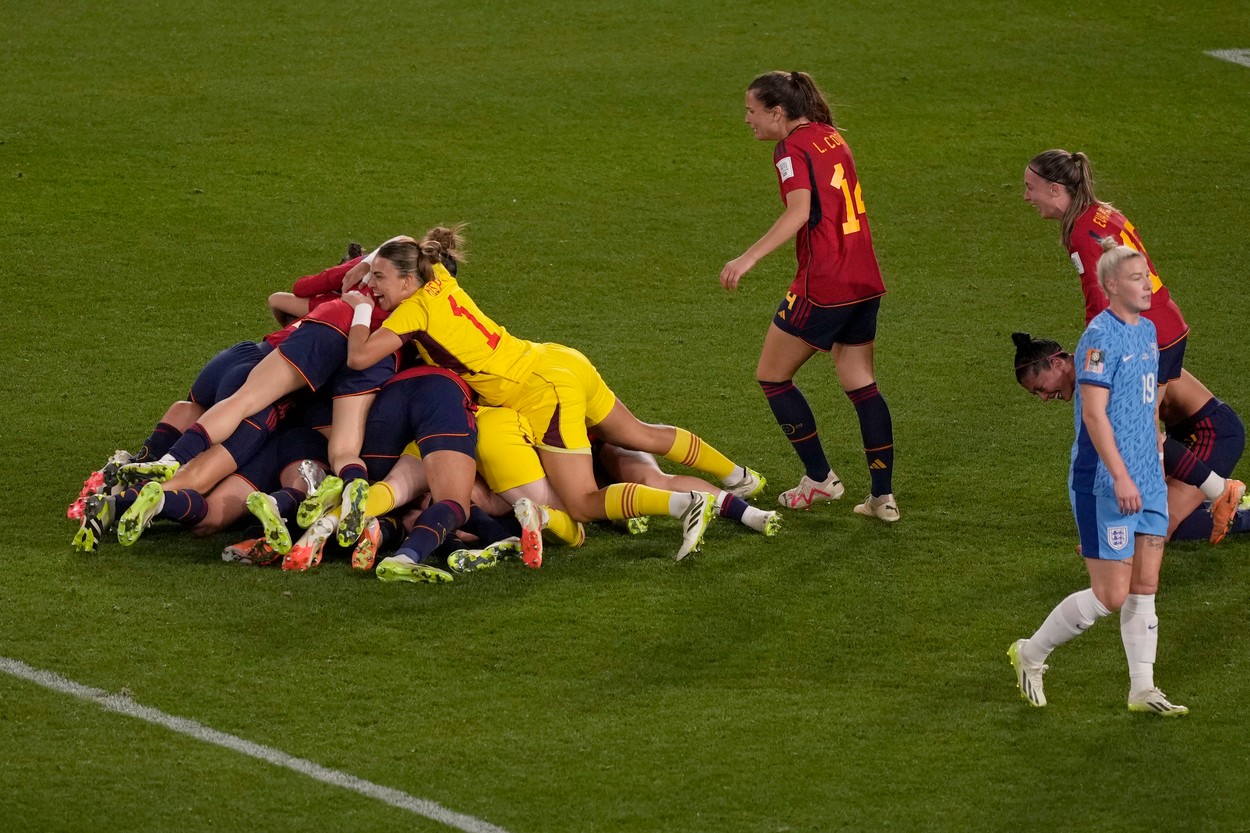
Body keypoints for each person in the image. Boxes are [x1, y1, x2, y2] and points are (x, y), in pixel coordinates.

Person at [343, 227, 766, 562]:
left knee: (581, 504)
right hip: (556, 360)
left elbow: (360, 357)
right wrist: (366, 263)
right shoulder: (437, 275)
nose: (374, 285)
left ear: (408, 279)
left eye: (380, 277)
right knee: (640, 434)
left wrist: (360, 306)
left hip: (541, 394)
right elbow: (402, 240)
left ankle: (682, 504)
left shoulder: (414, 311)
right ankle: (738, 480)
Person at [1008, 237, 1188, 716]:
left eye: (1146, 276)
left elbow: (1147, 403)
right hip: (1105, 484)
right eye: (1136, 279)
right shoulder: (1098, 340)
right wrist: (1123, 477)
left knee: (1145, 585)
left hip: (1147, 479)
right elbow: (1094, 414)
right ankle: (1031, 654)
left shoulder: (1148, 331)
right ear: (1111, 285)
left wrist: (1155, 455)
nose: (1147, 285)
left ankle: (1142, 689)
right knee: (1111, 594)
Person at [1023, 149, 1244, 535]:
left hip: (1151, 337)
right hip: (1164, 327)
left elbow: (1100, 299)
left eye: (1031, 187)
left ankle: (1219, 491)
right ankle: (1184, 497)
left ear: (1056, 189)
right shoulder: (1100, 214)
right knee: (1136, 428)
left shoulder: (1082, 233)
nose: (1027, 196)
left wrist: (1099, 354)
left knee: (1137, 430)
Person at [719, 70, 897, 520]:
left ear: (778, 112)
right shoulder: (830, 135)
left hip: (824, 286)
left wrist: (748, 257)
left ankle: (820, 479)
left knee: (772, 376)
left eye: (752, 111)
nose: (747, 119)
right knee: (860, 382)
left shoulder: (790, 149)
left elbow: (799, 212)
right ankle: (882, 497)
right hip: (864, 278)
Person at [1014, 334, 1248, 544]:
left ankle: (1228, 498)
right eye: (1036, 394)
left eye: (1040, 388)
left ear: (1057, 364)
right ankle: (1224, 498)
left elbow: (1149, 438)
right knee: (1147, 512)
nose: (1044, 398)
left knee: (1160, 525)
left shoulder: (1100, 374)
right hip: (1184, 435)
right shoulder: (1091, 366)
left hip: (1213, 433)